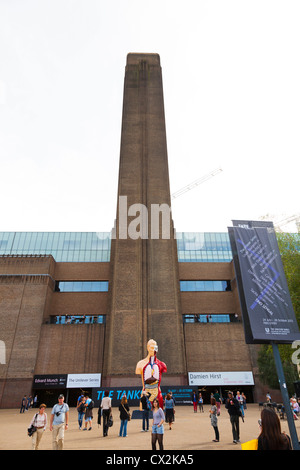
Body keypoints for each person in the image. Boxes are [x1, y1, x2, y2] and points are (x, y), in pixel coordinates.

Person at [135, 339, 167, 408]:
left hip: (158, 393)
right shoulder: (140, 364)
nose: (153, 350)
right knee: (144, 411)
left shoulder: (162, 364)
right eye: (152, 348)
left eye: (155, 348)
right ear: (147, 348)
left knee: (158, 412)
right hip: (145, 392)